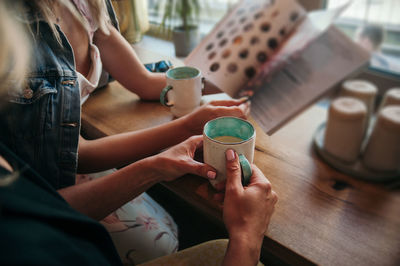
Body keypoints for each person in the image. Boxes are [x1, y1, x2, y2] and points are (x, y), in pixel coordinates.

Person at [1, 0, 250, 263]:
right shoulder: (15, 30)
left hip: (61, 168)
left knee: (169, 231)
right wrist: (184, 128)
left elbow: (143, 81)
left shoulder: (87, 6)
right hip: (50, 179)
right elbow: (78, 154)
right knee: (163, 240)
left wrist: (234, 77)